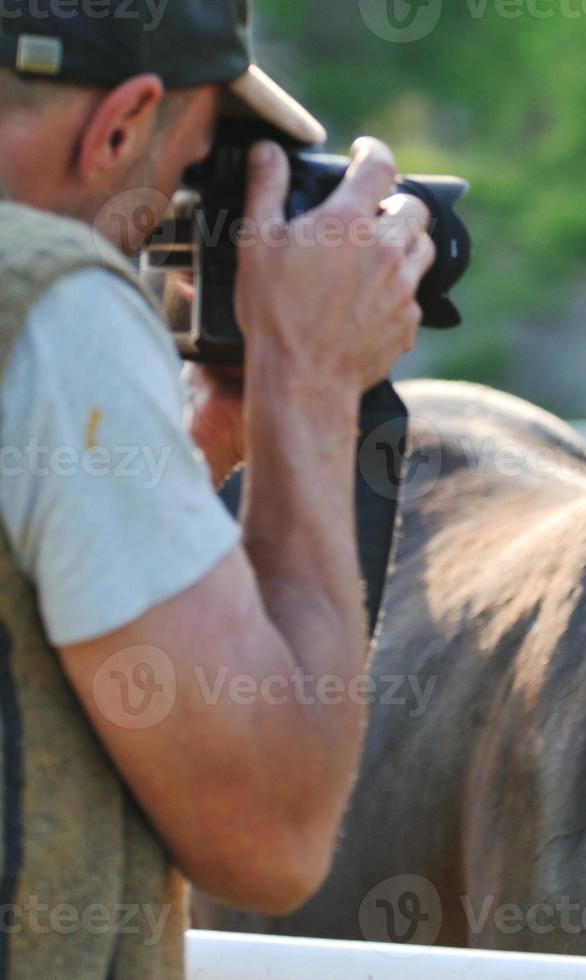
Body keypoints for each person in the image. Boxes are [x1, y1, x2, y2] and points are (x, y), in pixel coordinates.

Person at [0, 1, 436, 975]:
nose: (173, 217)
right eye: (192, 165)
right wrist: (310, 379)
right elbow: (269, 831)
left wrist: (208, 434)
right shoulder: (50, 304)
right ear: (118, 125)